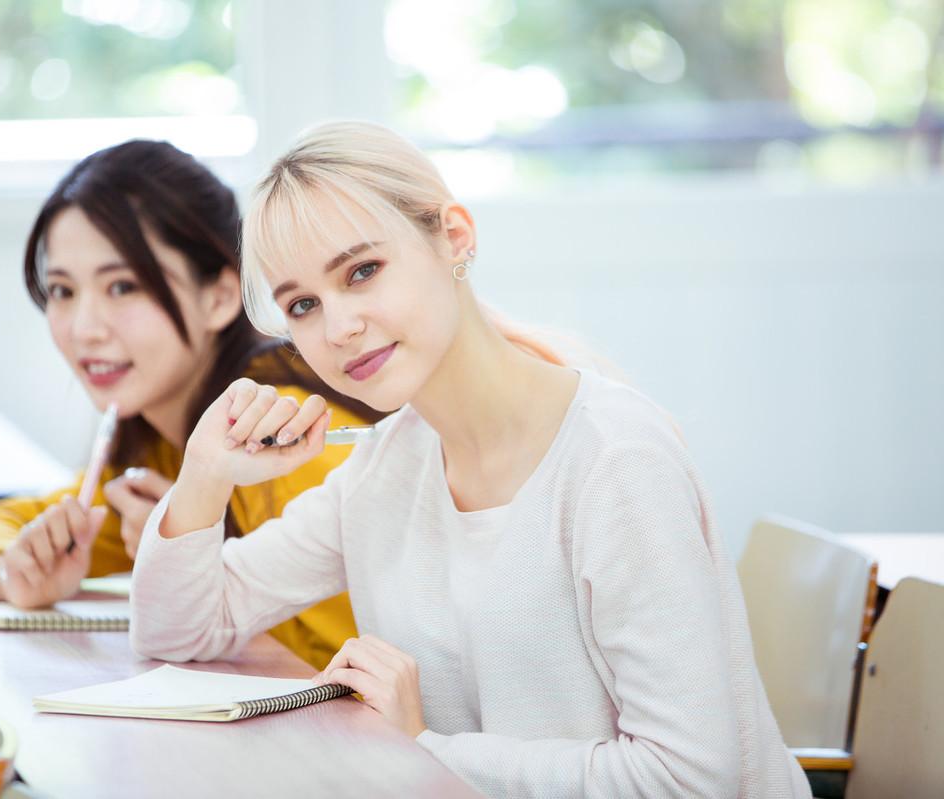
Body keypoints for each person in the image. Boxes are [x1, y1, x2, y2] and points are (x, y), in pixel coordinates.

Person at [128, 122, 812, 797]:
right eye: (303, 305)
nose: (337, 328)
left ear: (453, 237)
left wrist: (425, 749)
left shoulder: (615, 462)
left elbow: (690, 778)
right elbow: (177, 630)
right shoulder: (389, 466)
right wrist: (206, 475)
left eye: (362, 271)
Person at [0, 139, 381, 671]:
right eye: (62, 291)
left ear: (219, 297)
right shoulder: (158, 449)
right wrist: (19, 574)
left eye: (124, 286)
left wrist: (197, 556)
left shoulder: (280, 431)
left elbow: (381, 647)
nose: (85, 329)